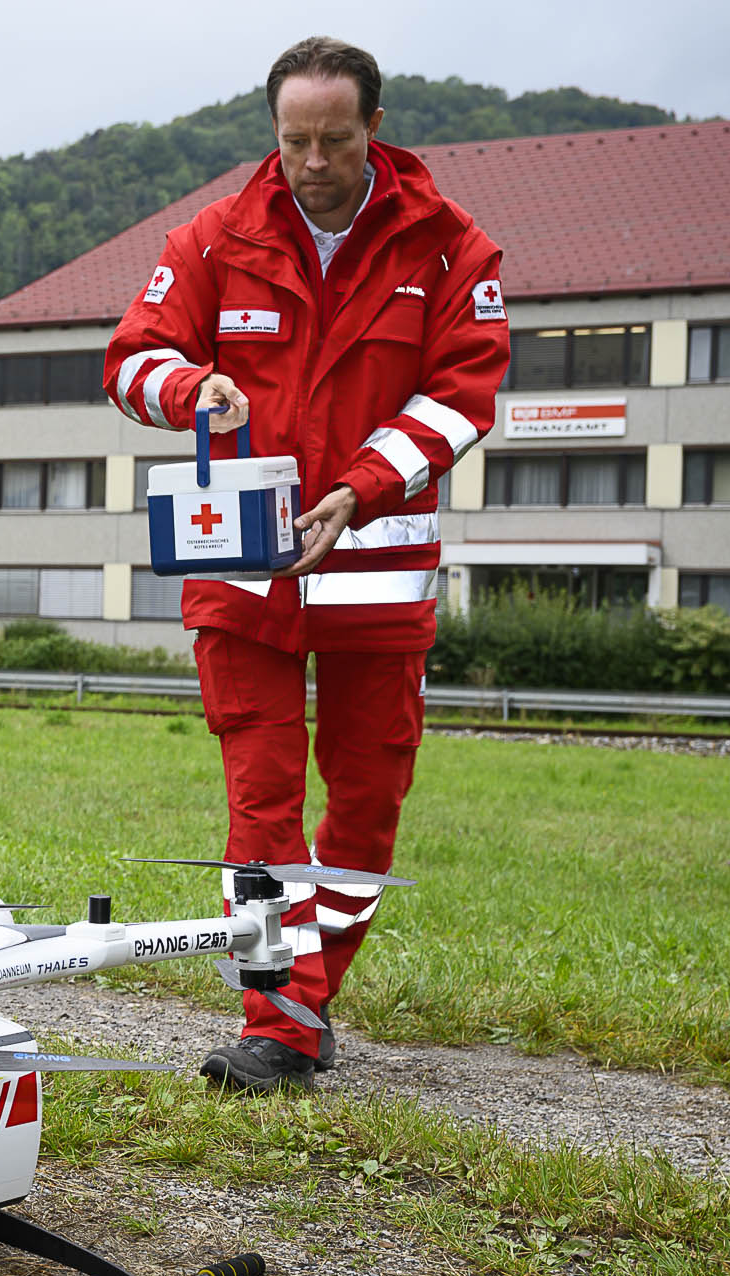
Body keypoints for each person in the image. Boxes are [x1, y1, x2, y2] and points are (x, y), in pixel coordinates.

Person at [103, 36, 509, 1091]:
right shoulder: (211, 238)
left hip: (377, 580)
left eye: (333, 139)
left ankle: (313, 980)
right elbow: (130, 356)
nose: (312, 159)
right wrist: (193, 390)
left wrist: (362, 483)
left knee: (366, 806)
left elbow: (461, 397)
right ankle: (277, 1020)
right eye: (293, 140)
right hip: (243, 582)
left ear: (373, 129)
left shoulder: (449, 250)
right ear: (271, 132)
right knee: (262, 801)